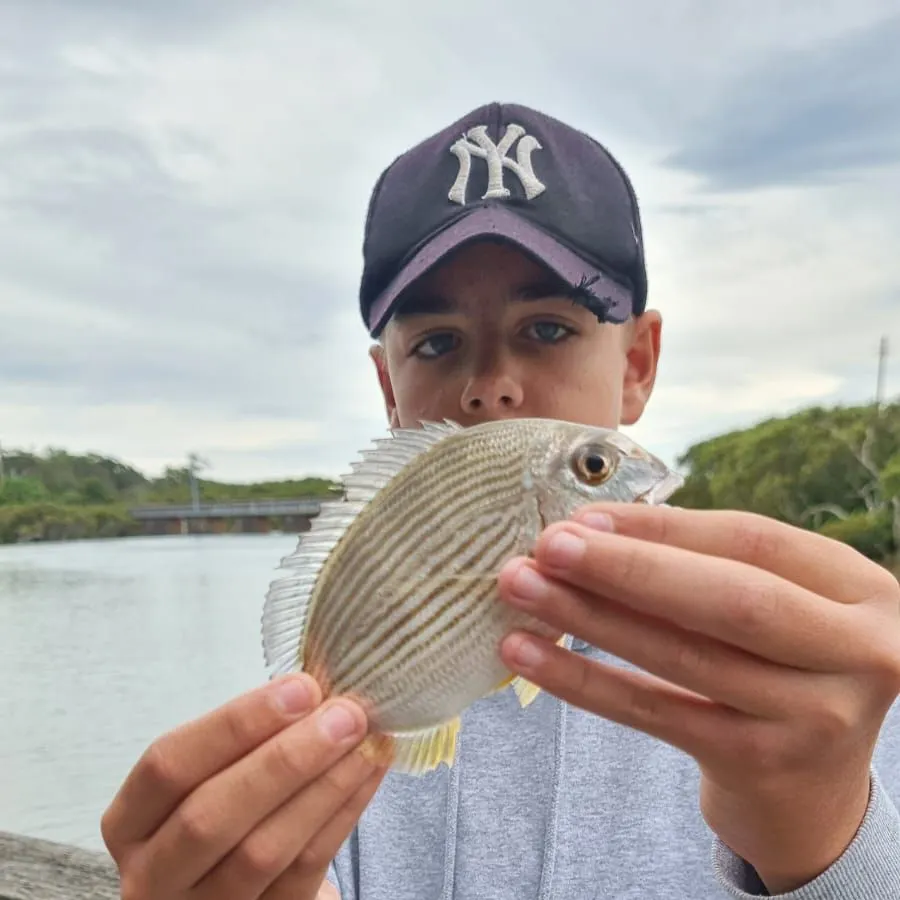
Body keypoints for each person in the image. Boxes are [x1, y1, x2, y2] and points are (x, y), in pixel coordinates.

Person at [101, 102, 900, 898]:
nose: (492, 388)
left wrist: (822, 833)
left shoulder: (822, 679)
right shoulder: (347, 703)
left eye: (548, 329)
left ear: (638, 364)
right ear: (388, 386)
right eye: (437, 343)